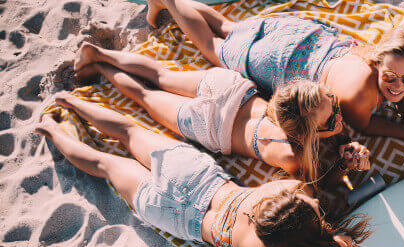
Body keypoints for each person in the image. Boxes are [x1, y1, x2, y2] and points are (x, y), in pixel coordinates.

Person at [36, 93, 372, 247]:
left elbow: (309, 197)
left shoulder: (287, 190)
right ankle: (51, 129)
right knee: (104, 164)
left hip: (195, 177)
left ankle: (65, 103)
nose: (312, 201)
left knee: (127, 131)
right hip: (174, 215)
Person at [137, 0, 404, 147]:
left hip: (302, 35)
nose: (398, 87)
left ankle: (167, 2)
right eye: (390, 78)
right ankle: (168, 2)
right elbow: (366, 126)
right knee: (212, 46)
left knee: (228, 27)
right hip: (277, 61)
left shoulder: (397, 65)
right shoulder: (360, 95)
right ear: (379, 63)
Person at [73, 43, 371, 182]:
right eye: (332, 116)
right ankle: (100, 67)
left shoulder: (297, 107)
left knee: (161, 76)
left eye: (334, 104)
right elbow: (322, 180)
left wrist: (340, 139)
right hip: (209, 124)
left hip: (230, 89)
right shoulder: (292, 154)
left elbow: (327, 132)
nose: (340, 116)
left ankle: (99, 53)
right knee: (145, 95)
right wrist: (346, 165)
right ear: (306, 132)